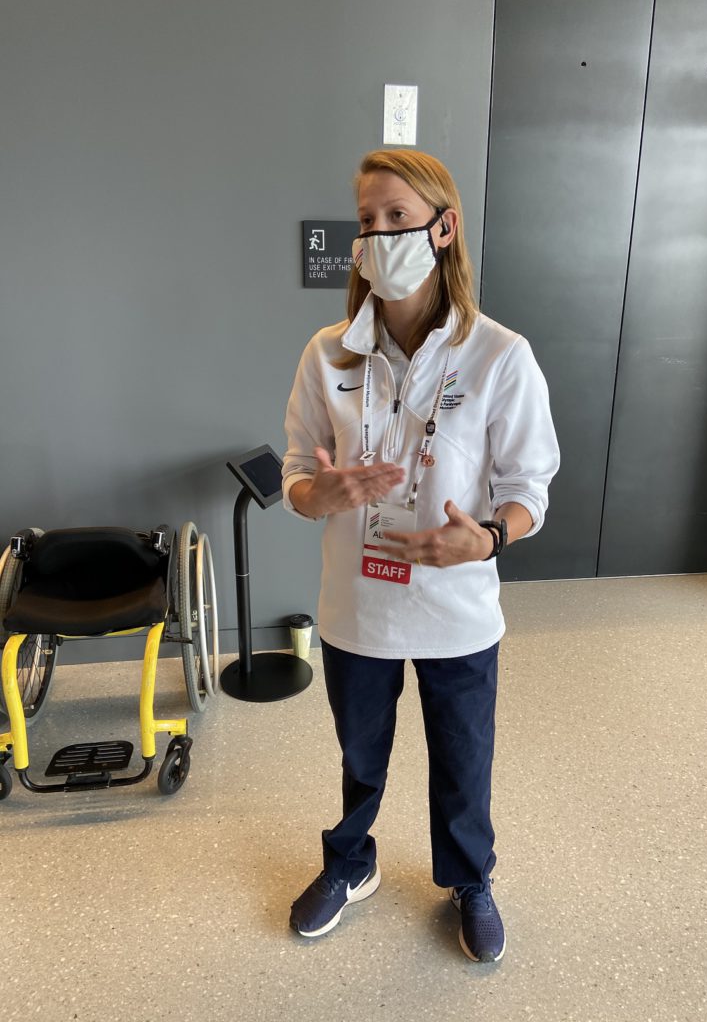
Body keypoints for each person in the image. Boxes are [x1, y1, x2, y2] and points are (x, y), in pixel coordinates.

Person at [282, 149, 559, 963]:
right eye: (366, 221)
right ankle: (351, 864)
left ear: (445, 227)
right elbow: (299, 474)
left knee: (464, 758)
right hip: (355, 607)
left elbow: (529, 489)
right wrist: (318, 498)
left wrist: (490, 536)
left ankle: (469, 879)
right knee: (359, 753)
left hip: (458, 608)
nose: (377, 235)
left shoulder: (500, 355)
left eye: (397, 217)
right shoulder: (327, 353)